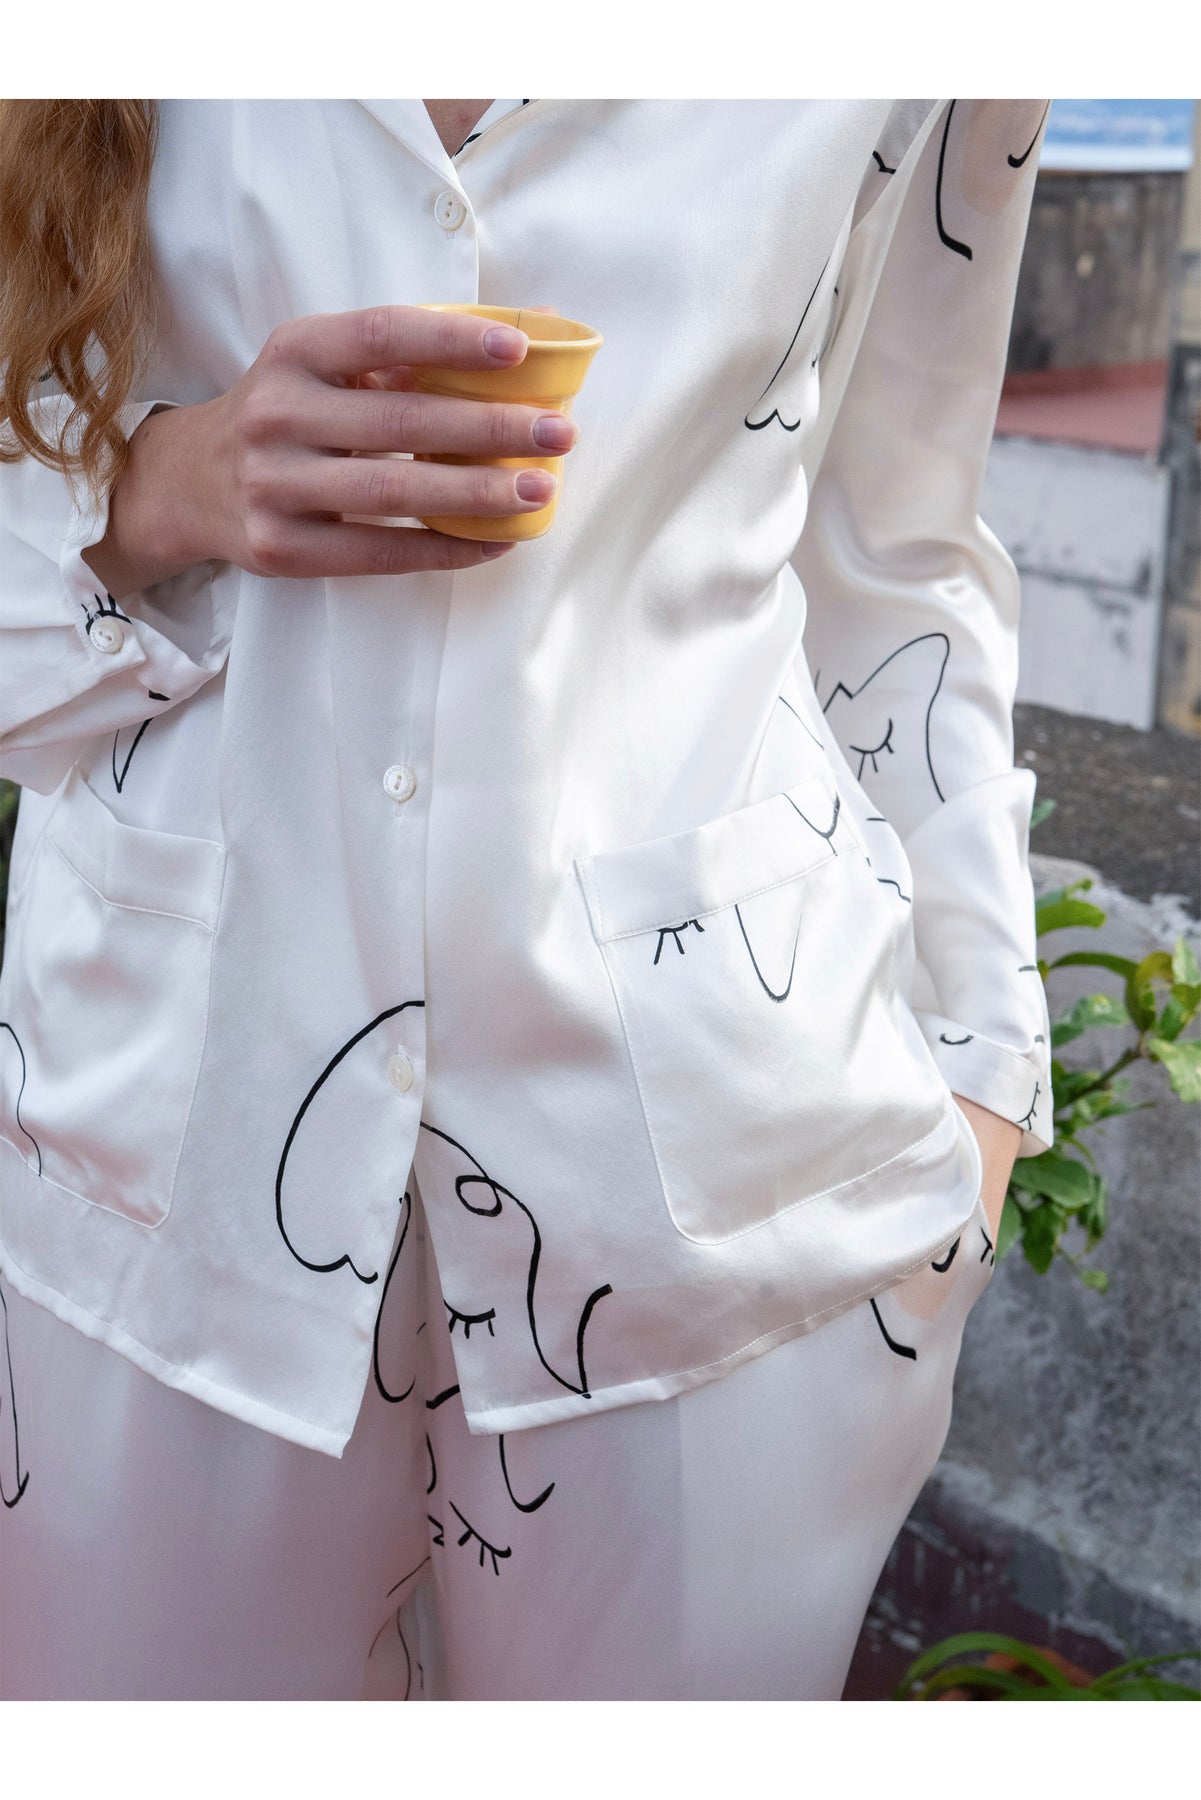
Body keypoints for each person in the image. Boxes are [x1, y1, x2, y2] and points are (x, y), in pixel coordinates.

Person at [0, 97, 1054, 1700]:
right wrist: (152, 488)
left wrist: (983, 1075)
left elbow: (898, 542)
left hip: (727, 1196)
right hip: (151, 1163)